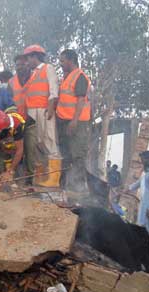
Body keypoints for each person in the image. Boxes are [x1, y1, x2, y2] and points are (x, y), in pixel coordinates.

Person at [23, 44, 61, 187]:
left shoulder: (48, 68)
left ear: (35, 56)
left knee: (49, 140)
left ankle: (54, 179)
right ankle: (40, 177)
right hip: (32, 113)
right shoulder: (32, 73)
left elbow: (53, 90)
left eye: (28, 58)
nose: (27, 61)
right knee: (37, 143)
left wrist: (50, 109)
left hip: (44, 110)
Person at [57, 49, 91, 192]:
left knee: (77, 155)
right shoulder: (66, 77)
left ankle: (78, 188)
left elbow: (81, 100)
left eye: (63, 61)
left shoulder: (80, 76)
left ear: (71, 60)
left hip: (76, 123)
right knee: (65, 155)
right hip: (64, 122)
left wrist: (74, 121)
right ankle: (64, 186)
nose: (61, 64)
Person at [0, 109, 28, 190]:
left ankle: (27, 180)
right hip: (7, 133)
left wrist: (10, 171)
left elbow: (19, 150)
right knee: (0, 151)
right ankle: (1, 175)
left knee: (29, 150)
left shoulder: (16, 125)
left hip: (28, 128)